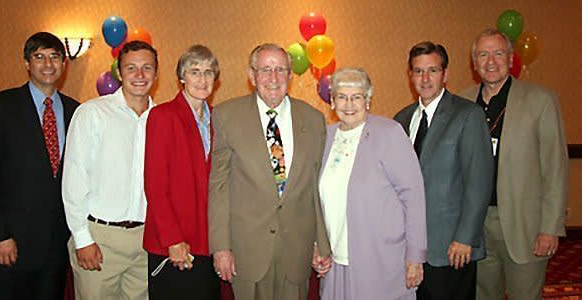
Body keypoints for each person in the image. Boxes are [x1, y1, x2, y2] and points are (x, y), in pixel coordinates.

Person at [208, 43, 331, 300]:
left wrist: (320, 242)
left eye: (280, 69)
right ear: (252, 76)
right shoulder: (226, 115)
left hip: (297, 250)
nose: (273, 78)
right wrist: (221, 247)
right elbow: (218, 187)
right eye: (265, 70)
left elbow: (315, 187)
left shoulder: (313, 119)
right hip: (247, 252)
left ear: (290, 75)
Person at [459, 29, 569, 300]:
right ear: (474, 62)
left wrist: (550, 227)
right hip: (476, 227)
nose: (491, 61)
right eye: (483, 54)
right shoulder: (461, 102)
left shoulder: (540, 101)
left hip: (526, 225)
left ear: (511, 59)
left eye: (498, 53)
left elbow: (555, 168)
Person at [0, 32, 79, 300]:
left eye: (55, 57)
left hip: (56, 243)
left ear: (63, 64)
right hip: (10, 242)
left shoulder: (75, 111)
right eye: (39, 57)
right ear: (27, 63)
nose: (48, 64)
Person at [316, 67, 427, 299]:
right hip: (335, 260)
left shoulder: (390, 133)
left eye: (357, 97)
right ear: (332, 102)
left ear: (368, 100)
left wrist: (415, 256)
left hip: (381, 258)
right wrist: (317, 244)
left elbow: (414, 198)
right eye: (342, 97)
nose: (349, 104)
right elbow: (314, 201)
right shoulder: (325, 137)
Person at [394, 41, 493, 300]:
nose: (425, 78)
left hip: (452, 247)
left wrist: (465, 237)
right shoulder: (401, 120)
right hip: (411, 246)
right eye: (418, 71)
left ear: (445, 74)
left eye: (433, 70)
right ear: (410, 75)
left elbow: (479, 181)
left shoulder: (468, 115)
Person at [62, 41, 157, 300]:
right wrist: (82, 239)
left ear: (156, 74)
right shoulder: (92, 113)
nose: (140, 75)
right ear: (119, 72)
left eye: (147, 68)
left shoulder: (161, 118)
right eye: (132, 68)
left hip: (146, 241)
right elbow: (73, 180)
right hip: (100, 238)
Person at [143, 44, 220, 299]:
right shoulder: (163, 116)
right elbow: (155, 185)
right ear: (181, 77)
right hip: (174, 244)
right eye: (195, 71)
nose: (202, 79)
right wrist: (173, 240)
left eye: (209, 72)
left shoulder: (218, 120)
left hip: (208, 241)